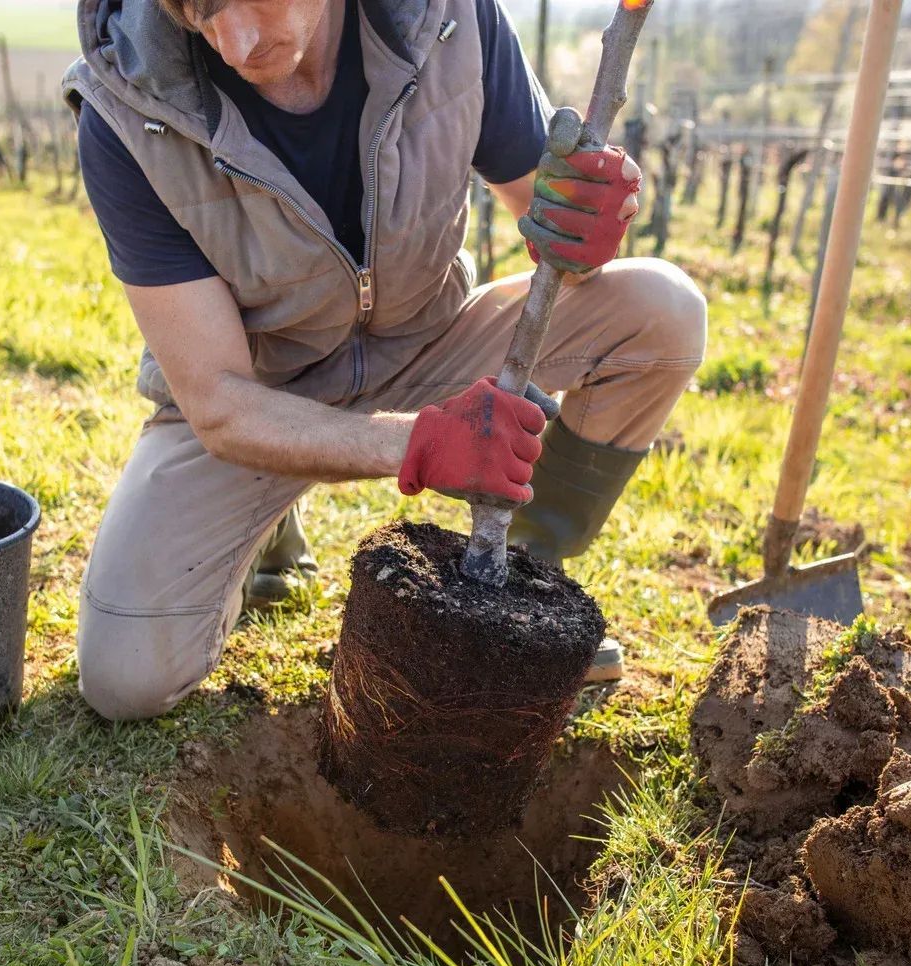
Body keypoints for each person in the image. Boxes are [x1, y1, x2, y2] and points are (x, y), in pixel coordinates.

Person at [64, 0, 706, 720]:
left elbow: (558, 243)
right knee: (126, 679)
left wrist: (583, 224)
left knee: (664, 312)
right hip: (262, 395)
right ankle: (266, 523)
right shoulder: (129, 110)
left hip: (430, 339)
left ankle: (518, 591)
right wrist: (420, 443)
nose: (234, 41)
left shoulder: (446, 21)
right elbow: (218, 399)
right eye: (200, 12)